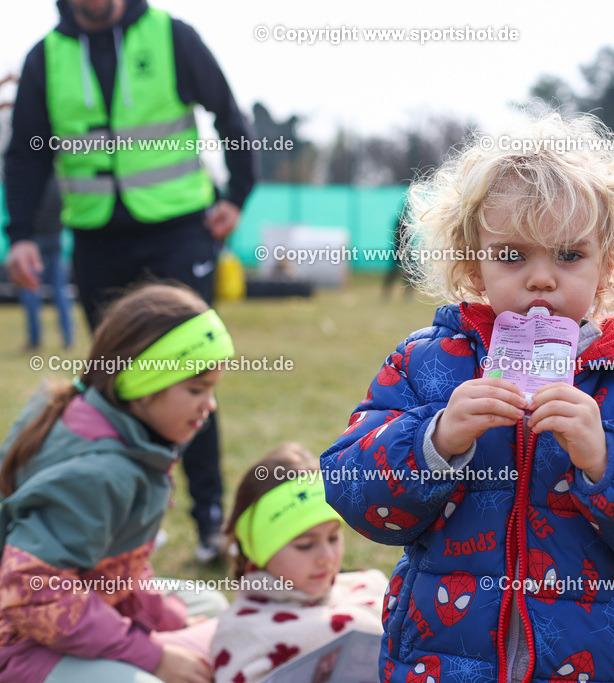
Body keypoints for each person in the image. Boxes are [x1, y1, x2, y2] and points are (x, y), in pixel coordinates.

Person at [320, 113, 614, 683]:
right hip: (442, 660)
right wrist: (434, 441)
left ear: (608, 264)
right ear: (473, 264)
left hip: (595, 664)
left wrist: (609, 459)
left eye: (569, 255)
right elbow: (353, 491)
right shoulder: (427, 364)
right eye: (512, 256)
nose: (541, 279)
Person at [3, 0, 258, 561]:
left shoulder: (173, 36)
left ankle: (208, 517)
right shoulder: (45, 57)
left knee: (191, 375)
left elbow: (228, 113)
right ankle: (133, 515)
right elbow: (25, 153)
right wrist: (19, 233)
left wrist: (238, 194)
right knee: (115, 382)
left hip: (178, 229)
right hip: (97, 238)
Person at [0, 283, 234, 682]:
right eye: (196, 389)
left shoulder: (117, 430)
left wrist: (163, 619)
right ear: (141, 385)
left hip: (73, 617)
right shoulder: (103, 473)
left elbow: (112, 571)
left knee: (208, 606)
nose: (209, 405)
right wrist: (151, 656)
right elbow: (29, 593)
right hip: (20, 645)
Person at [211, 444, 386, 683]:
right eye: (305, 545)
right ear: (261, 552)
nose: (327, 557)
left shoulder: (370, 588)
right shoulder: (243, 633)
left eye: (333, 537)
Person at [16, 179, 75, 352]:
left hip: (34, 240)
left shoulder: (32, 182)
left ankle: (34, 340)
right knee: (60, 289)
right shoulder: (58, 183)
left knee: (31, 287)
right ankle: (68, 338)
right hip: (55, 238)